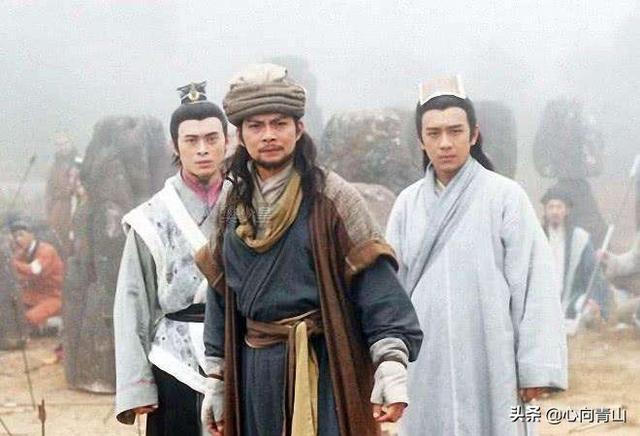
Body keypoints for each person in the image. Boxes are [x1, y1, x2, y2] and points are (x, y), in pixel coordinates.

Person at [195, 63, 423, 436]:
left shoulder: (334, 198)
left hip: (323, 367)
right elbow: (220, 296)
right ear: (240, 135)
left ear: (299, 129)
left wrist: (390, 364)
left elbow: (377, 289)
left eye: (279, 123)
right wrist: (216, 379)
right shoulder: (230, 206)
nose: (269, 135)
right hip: (254, 372)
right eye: (256, 126)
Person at [385, 76, 567, 436]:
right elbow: (391, 294)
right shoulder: (407, 205)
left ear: (474, 134)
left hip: (492, 353)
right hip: (426, 358)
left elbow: (534, 284)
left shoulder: (505, 197)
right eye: (434, 133)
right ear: (420, 139)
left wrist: (534, 367)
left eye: (455, 131)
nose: (445, 143)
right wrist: (389, 368)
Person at [113, 82, 229, 435]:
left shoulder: (248, 204)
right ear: (174, 146)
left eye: (211, 138)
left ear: (228, 140)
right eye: (191, 140)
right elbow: (132, 301)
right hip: (174, 360)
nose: (202, 149)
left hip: (238, 351)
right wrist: (136, 385)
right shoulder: (151, 217)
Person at [541, 186, 609, 323]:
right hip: (541, 297)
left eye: (559, 207)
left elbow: (592, 273)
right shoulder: (535, 236)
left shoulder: (580, 238)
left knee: (588, 310)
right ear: (545, 210)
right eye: (551, 207)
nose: (555, 212)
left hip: (571, 298)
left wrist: (594, 300)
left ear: (566, 210)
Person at [9, 218, 64, 329]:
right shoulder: (21, 253)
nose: (18, 240)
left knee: (28, 319)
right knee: (8, 312)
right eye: (15, 237)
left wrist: (10, 262)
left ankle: (55, 323)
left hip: (53, 298)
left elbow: (34, 271)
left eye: (21, 235)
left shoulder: (46, 250)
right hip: (32, 296)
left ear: (32, 235)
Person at [45, 132, 79, 258]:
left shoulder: (79, 162)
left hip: (75, 204)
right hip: (58, 205)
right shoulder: (54, 166)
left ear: (70, 144)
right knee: (55, 234)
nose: (62, 147)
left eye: (65, 143)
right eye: (59, 144)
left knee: (74, 236)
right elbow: (49, 188)